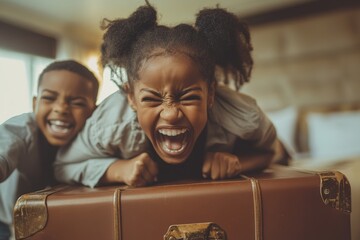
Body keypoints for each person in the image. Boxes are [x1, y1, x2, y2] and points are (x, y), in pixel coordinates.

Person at [54, 2, 282, 189]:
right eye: (152, 99)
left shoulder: (243, 115)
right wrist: (116, 170)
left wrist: (238, 162)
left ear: (211, 93)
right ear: (131, 97)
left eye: (189, 97)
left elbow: (273, 151)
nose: (171, 114)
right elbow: (62, 165)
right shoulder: (109, 124)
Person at [0, 60, 99, 240]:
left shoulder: (93, 138)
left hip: (60, 225)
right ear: (34, 103)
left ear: (93, 111)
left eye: (76, 102)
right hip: (7, 225)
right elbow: (7, 141)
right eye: (49, 98)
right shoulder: (24, 129)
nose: (61, 109)